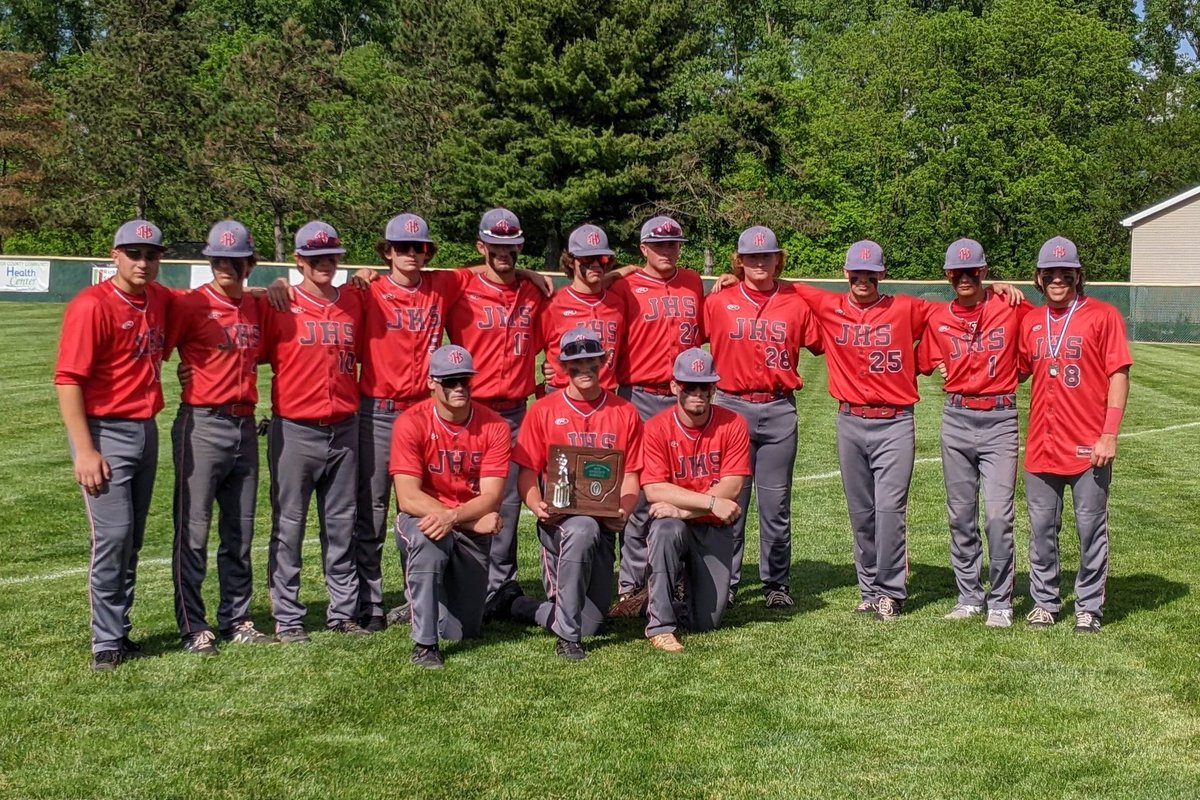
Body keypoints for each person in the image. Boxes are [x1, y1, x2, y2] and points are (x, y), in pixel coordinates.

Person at [54, 219, 171, 670]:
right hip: (104, 431)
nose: (143, 263)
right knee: (113, 536)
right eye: (134, 254)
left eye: (151, 255)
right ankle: (105, 641)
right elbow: (68, 380)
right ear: (115, 255)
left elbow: (211, 301)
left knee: (132, 538)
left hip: (145, 428)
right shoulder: (92, 305)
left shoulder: (159, 298)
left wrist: (272, 288)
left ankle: (119, 631)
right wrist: (84, 449)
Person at [166, 219, 273, 655]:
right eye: (218, 260)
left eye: (235, 260)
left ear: (250, 263)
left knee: (240, 530)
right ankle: (193, 625)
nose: (226, 266)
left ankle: (237, 618)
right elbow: (155, 349)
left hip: (244, 424)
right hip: (202, 422)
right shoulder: (190, 304)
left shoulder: (257, 305)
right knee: (193, 531)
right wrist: (185, 370)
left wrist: (270, 290)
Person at [354, 213, 464, 632]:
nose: (411, 254)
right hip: (379, 411)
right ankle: (370, 601)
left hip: (423, 413)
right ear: (387, 252)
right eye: (402, 247)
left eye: (419, 247)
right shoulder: (368, 290)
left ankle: (414, 595)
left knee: (417, 506)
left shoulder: (440, 285)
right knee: (373, 507)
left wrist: (529, 270)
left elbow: (490, 267)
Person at [702, 225, 821, 609]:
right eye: (751, 256)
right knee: (730, 501)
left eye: (766, 255)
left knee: (776, 505)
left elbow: (825, 341)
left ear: (777, 260)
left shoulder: (796, 303)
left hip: (778, 408)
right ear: (739, 261)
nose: (759, 262)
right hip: (730, 409)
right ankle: (726, 582)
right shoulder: (718, 301)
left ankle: (776, 584)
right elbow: (685, 340)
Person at [917, 238, 1033, 628]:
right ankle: (969, 596)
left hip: (999, 419)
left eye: (972, 271)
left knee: (998, 516)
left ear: (983, 271)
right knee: (961, 515)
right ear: (948, 275)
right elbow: (921, 360)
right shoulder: (939, 317)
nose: (964, 278)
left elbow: (1044, 331)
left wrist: (1017, 370)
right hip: (956, 418)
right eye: (957, 272)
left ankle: (1000, 601)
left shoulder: (1010, 307)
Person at [1018, 236, 1132, 633]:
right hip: (1041, 445)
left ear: (1078, 276)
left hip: (1088, 447)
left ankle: (1088, 606)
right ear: (1039, 277)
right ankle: (1045, 602)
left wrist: (1110, 434)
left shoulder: (1103, 315)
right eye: (1050, 272)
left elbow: (1119, 374)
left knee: (1090, 530)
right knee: (1041, 531)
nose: (1057, 279)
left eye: (1065, 273)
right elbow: (1016, 370)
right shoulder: (1031, 321)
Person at [260, 220, 367, 642]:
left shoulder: (353, 301)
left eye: (331, 256)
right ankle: (288, 617)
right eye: (315, 256)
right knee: (289, 526)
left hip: (344, 428)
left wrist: (367, 274)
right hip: (295, 430)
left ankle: (343, 612)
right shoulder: (280, 302)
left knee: (341, 525)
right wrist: (270, 286)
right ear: (299, 260)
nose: (325, 263)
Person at [511, 327, 643, 660]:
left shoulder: (624, 412)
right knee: (581, 528)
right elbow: (527, 472)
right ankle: (567, 639)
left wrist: (625, 511)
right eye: (576, 362)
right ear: (563, 365)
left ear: (603, 362)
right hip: (561, 523)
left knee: (592, 623)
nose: (584, 368)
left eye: (591, 361)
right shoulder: (543, 410)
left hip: (602, 524)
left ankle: (523, 607)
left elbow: (631, 474)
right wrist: (535, 504)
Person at [443, 208, 547, 618]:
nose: (505, 252)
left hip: (516, 410)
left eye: (512, 246)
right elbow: (415, 281)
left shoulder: (532, 291)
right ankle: (461, 579)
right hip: (471, 410)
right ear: (480, 246)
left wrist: (530, 274)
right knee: (462, 492)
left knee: (507, 499)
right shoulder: (460, 284)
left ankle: (500, 583)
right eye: (495, 245)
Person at [389, 345, 512, 668]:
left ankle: (429, 600)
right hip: (424, 518)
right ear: (431, 382)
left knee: (463, 631)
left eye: (464, 380)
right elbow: (408, 497)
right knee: (429, 539)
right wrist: (464, 521)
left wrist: (454, 517)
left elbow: (491, 497)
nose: (459, 388)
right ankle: (425, 644)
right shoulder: (410, 423)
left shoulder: (494, 425)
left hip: (463, 521)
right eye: (449, 381)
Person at [609, 215, 705, 616]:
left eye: (674, 244)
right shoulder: (625, 285)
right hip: (640, 396)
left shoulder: (694, 281)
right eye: (659, 244)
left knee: (680, 486)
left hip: (682, 398)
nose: (668, 250)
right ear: (643, 248)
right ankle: (632, 583)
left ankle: (673, 576)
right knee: (637, 492)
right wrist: (615, 272)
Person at [640, 348, 751, 652]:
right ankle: (660, 625)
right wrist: (711, 504)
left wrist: (684, 510)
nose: (698, 393)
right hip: (679, 523)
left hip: (711, 527)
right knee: (665, 529)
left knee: (707, 622)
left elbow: (732, 485)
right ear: (675, 386)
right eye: (690, 386)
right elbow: (654, 489)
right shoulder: (656, 428)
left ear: (714, 387)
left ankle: (655, 598)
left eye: (705, 386)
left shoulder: (733, 423)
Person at [536, 224, 626, 393]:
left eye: (602, 258)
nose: (596, 264)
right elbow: (525, 352)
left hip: (606, 395)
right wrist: (548, 367)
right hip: (561, 394)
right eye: (587, 259)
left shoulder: (617, 304)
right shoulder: (553, 304)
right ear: (571, 261)